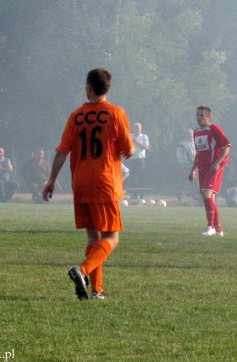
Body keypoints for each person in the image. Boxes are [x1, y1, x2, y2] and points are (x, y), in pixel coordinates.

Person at [42, 68, 134, 300]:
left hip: (80, 182)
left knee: (94, 238)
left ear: (89, 87)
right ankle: (82, 271)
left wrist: (51, 179)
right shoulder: (116, 113)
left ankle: (97, 291)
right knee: (112, 237)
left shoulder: (76, 115)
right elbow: (129, 150)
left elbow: (62, 151)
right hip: (105, 181)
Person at [189, 106, 231, 237]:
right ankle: (218, 229)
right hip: (202, 168)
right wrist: (193, 170)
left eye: (202, 115)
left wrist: (217, 163)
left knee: (206, 193)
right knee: (208, 197)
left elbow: (226, 147)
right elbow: (198, 154)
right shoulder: (196, 132)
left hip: (214, 167)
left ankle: (210, 226)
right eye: (197, 115)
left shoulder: (214, 129)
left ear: (208, 117)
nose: (199, 117)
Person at [128, 122, 149, 193]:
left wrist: (137, 141)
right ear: (133, 129)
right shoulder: (129, 136)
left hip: (140, 159)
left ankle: (141, 195)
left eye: (138, 128)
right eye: (135, 128)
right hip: (131, 159)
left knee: (141, 176)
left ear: (141, 129)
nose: (137, 129)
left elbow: (146, 147)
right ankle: (134, 194)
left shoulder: (144, 137)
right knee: (133, 177)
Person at [176, 129, 196, 201]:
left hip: (195, 165)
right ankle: (181, 195)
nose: (190, 135)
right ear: (186, 135)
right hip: (186, 165)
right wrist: (182, 163)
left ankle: (195, 195)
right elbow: (179, 155)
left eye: (191, 134)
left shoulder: (196, 142)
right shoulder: (182, 143)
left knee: (195, 180)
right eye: (188, 134)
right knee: (184, 180)